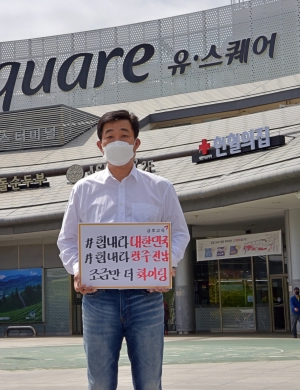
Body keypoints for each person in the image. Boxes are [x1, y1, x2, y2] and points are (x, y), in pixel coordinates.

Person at [57, 110, 190, 390]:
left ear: (136, 143)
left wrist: (167, 261)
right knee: (100, 382)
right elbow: (67, 240)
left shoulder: (161, 187)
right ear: (100, 145)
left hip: (147, 298)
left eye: (124, 136)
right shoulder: (83, 189)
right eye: (110, 136)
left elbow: (179, 233)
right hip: (98, 299)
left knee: (150, 381)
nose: (117, 141)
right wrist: (79, 270)